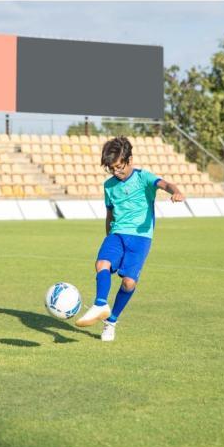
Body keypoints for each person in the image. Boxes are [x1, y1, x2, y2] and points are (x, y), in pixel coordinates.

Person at [75, 136, 185, 341]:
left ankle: (111, 322)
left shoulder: (143, 177)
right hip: (116, 234)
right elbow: (110, 214)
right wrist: (108, 236)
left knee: (128, 283)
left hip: (141, 238)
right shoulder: (109, 186)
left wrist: (176, 192)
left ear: (130, 160)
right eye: (111, 168)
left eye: (119, 166)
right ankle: (100, 304)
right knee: (102, 263)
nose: (115, 171)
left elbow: (165, 184)